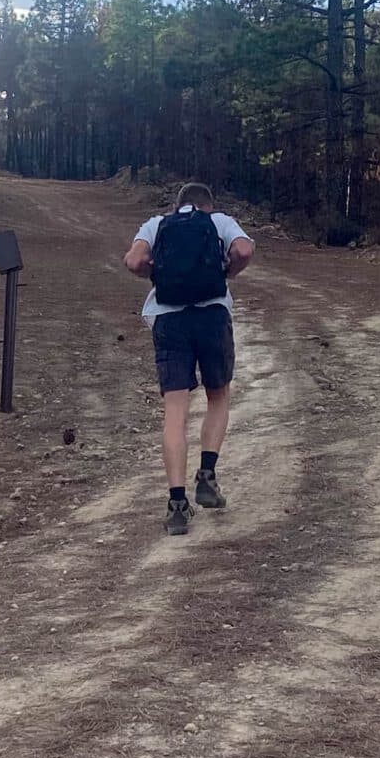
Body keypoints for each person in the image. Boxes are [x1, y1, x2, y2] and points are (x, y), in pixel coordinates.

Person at [123, 182, 256, 535]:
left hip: (168, 320)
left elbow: (134, 260)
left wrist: (158, 275)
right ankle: (207, 476)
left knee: (175, 410)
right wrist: (224, 273)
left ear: (177, 205)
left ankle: (177, 504)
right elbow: (243, 250)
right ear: (207, 207)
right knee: (218, 396)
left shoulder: (156, 225)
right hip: (212, 316)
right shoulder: (220, 222)